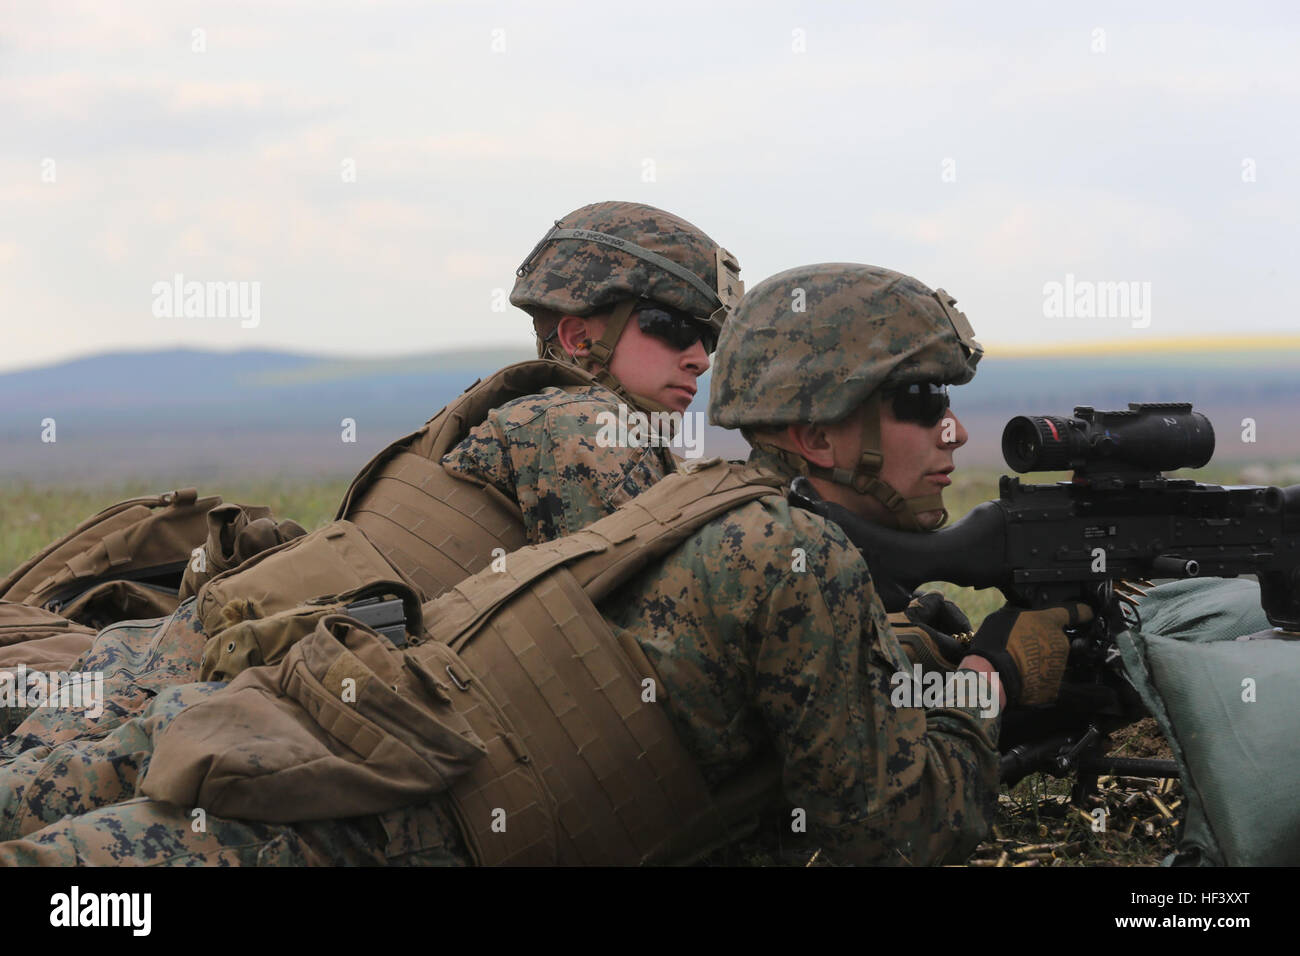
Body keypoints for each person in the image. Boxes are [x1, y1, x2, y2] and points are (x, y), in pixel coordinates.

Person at [0, 261, 1098, 866]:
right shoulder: (758, 530)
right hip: (351, 815)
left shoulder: (699, 497)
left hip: (293, 724)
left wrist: (902, 639)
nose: (951, 431)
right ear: (814, 432)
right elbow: (890, 825)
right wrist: (991, 683)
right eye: (918, 403)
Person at [0, 200, 743, 840]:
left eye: (708, 336)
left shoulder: (510, 404)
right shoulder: (584, 427)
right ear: (582, 335)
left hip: (204, 654)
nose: (700, 358)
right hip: (232, 676)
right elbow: (639, 641)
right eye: (671, 327)